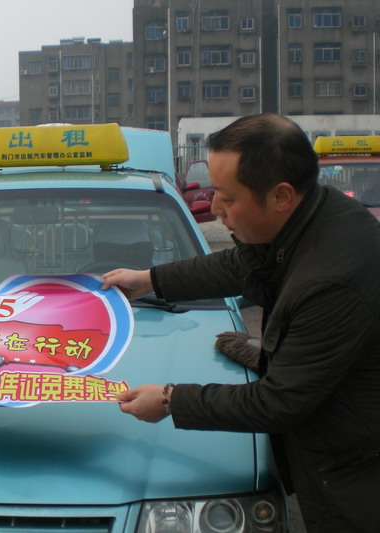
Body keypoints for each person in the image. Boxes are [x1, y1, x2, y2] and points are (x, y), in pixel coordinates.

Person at [102, 113, 380, 533]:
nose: (214, 209)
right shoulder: (313, 217)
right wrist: (149, 280)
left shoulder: (331, 280)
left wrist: (171, 399)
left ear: (281, 195)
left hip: (355, 474)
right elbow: (243, 265)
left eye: (227, 198)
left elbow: (278, 403)